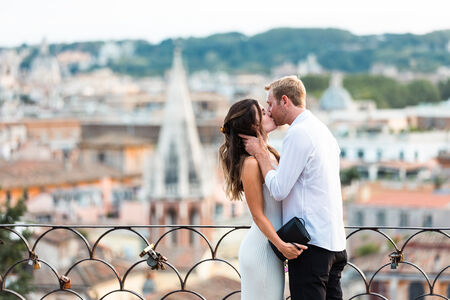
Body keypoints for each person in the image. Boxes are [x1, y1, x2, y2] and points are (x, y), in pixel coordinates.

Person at [240, 76, 347, 300]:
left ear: (285, 101)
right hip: (334, 242)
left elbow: (278, 189)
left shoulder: (298, 134)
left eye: (270, 104)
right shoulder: (323, 131)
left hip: (311, 246)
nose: (268, 110)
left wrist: (260, 153)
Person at [219, 99, 307, 300]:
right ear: (253, 125)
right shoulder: (251, 163)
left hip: (271, 247)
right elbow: (258, 215)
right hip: (263, 250)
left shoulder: (267, 154)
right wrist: (282, 246)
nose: (268, 111)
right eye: (261, 112)